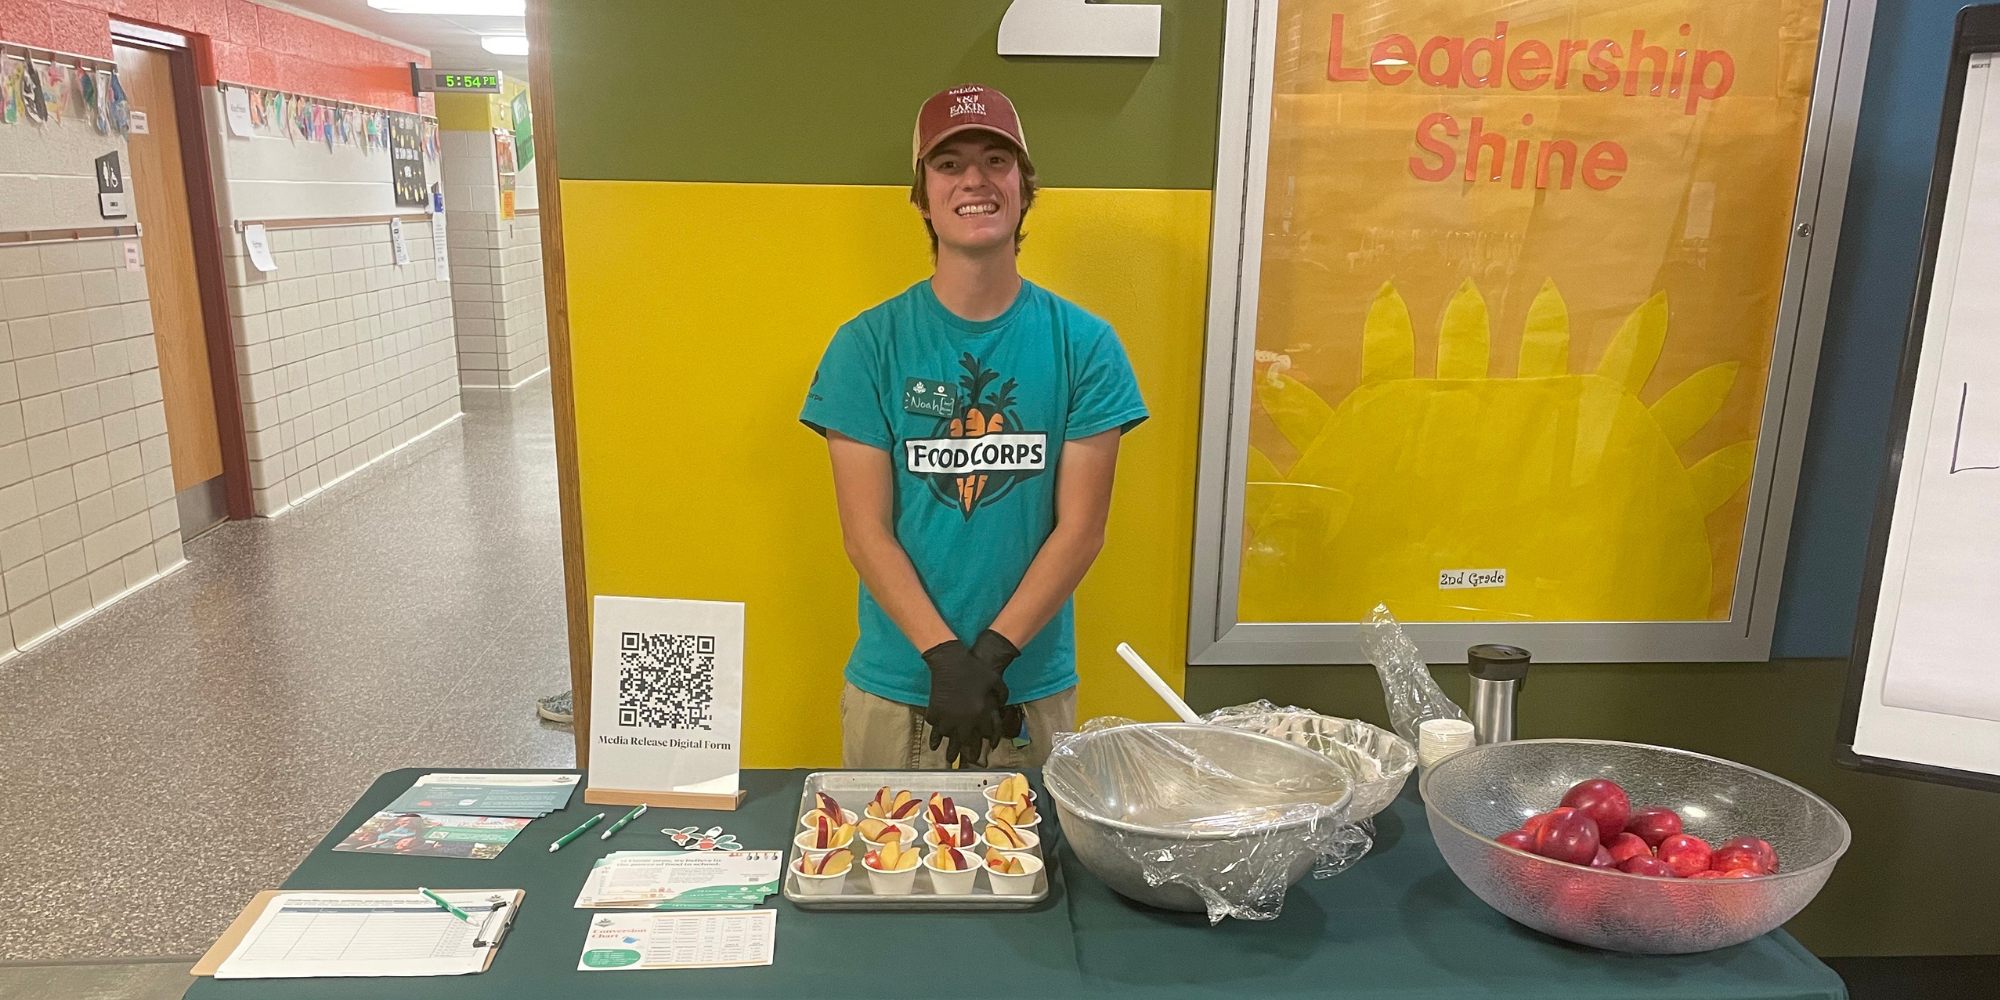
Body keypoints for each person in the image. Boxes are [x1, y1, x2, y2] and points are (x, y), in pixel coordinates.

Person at [800, 84, 1147, 769]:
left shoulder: (1085, 345)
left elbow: (1081, 530)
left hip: (1029, 694)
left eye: (996, 159)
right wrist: (942, 657)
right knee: (885, 873)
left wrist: (990, 655)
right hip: (897, 691)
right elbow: (865, 531)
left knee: (1039, 877)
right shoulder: (866, 346)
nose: (975, 180)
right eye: (949, 164)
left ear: (1024, 187)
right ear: (922, 197)